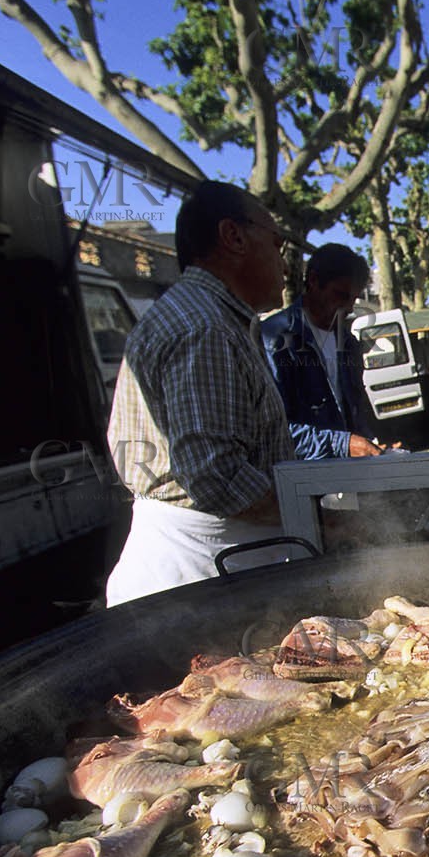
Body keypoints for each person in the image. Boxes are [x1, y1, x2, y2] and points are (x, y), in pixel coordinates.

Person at [104, 182, 301, 607]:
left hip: (211, 563)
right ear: (233, 236)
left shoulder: (215, 320)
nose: (284, 266)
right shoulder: (205, 328)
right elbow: (217, 478)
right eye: (277, 244)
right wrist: (322, 519)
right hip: (197, 575)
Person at [260, 244, 382, 460]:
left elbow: (356, 410)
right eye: (341, 295)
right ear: (314, 281)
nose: (349, 308)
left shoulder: (349, 344)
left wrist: (373, 442)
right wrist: (342, 444)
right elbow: (271, 432)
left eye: (353, 299)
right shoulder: (274, 340)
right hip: (301, 477)